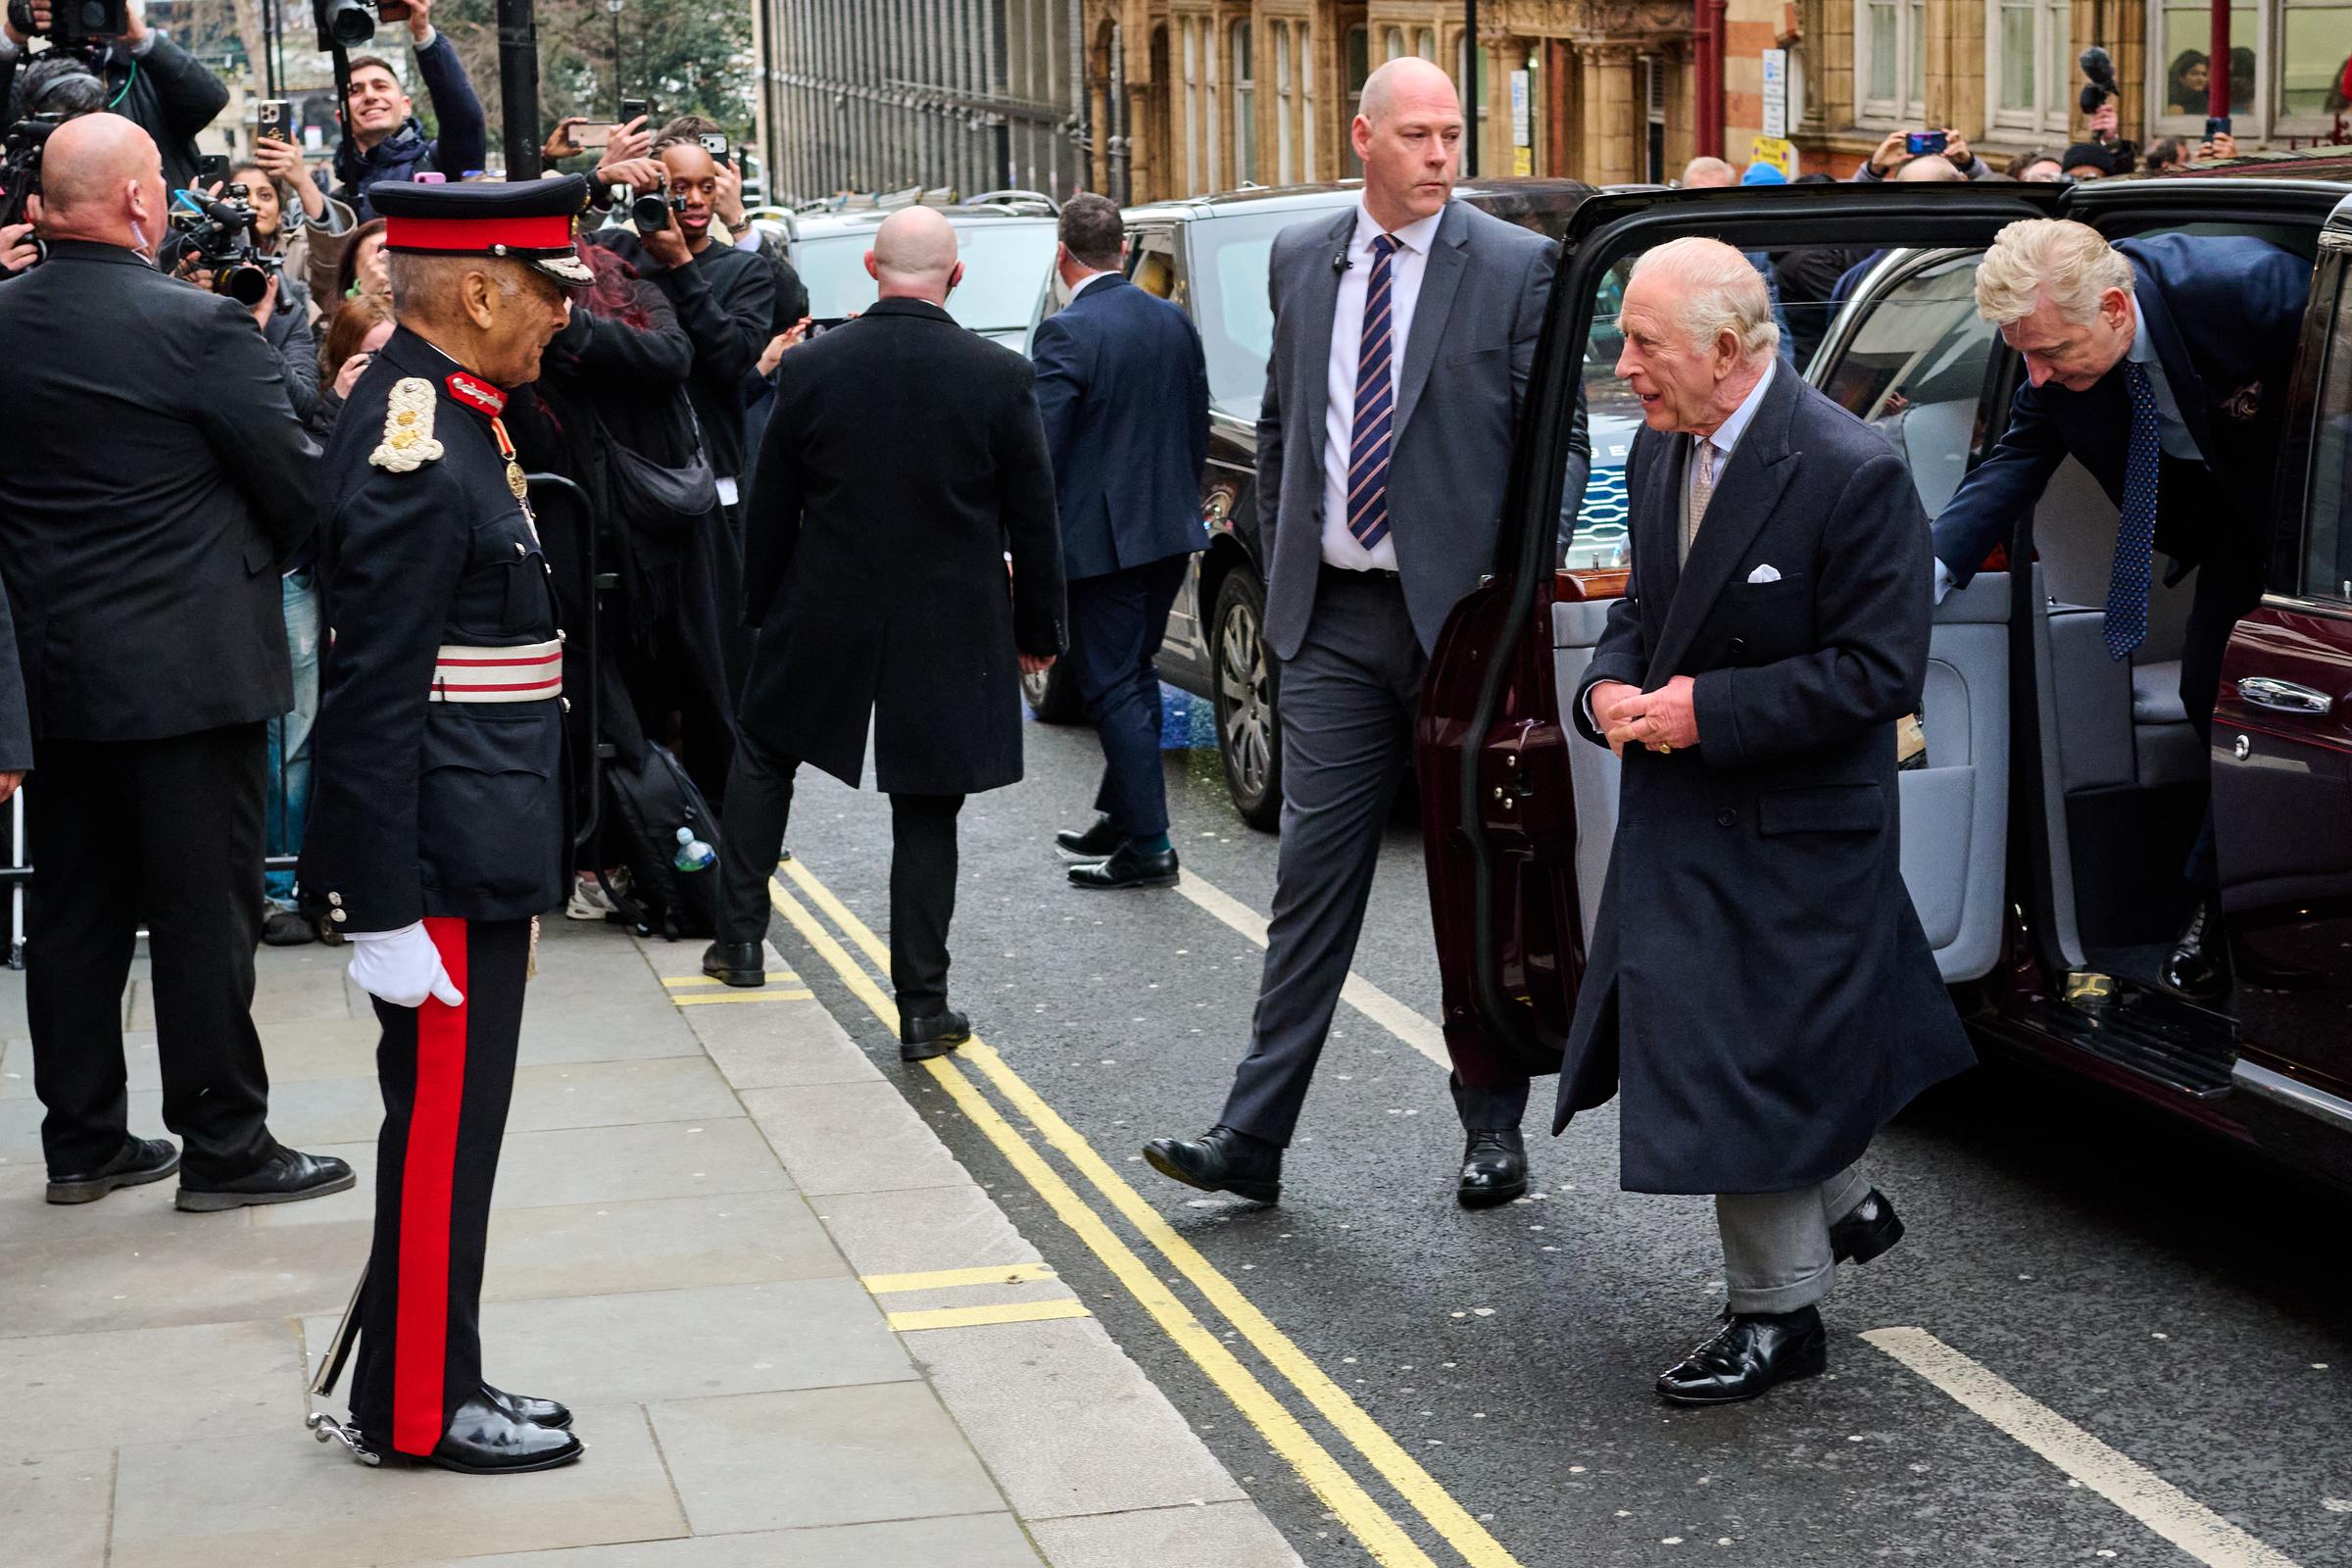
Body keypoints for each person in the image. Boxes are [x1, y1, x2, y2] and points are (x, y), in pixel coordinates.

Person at [1142, 57, 1556, 1210]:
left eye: (1452, 134)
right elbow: (1284, 419)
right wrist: (1285, 568)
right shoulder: (1300, 255)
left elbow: (1550, 451)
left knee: (1471, 877)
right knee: (1310, 881)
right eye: (1416, 135)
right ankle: (1254, 1136)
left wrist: (1509, 597)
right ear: (1364, 138)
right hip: (1329, 621)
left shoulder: (1516, 268)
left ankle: (1492, 1129)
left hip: (1462, 626)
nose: (1440, 155)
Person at [1566, 237, 1973, 1405]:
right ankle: (1845, 1203)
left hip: (1798, 825)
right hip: (1692, 809)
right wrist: (1606, 688)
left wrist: (1711, 709)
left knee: (1741, 1057)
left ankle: (1778, 1317)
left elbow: (1880, 672)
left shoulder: (1853, 470)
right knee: (1735, 1044)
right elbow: (1645, 606)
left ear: (1730, 354)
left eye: (1644, 343)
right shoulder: (1659, 448)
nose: (1624, 366)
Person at [0, 114, 350, 1209]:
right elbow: (300, 485)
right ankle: (225, 1145)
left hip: (54, 673)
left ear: (47, 210)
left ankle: (83, 1139)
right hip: (190, 675)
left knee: (74, 914)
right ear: (144, 203)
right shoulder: (199, 328)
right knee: (206, 914)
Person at [300, 175, 590, 1474]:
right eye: (546, 294)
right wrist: (384, 907)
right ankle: (416, 1408)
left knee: (455, 1137)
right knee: (439, 1140)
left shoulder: (457, 410)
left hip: (478, 836)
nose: (561, 320)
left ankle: (443, 1371)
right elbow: (373, 692)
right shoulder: (418, 437)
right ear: (479, 290)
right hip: (443, 857)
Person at [697, 207, 1065, 1063]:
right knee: (927, 808)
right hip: (951, 617)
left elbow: (771, 502)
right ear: (957, 276)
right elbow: (1034, 520)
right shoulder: (999, 374)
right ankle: (923, 1011)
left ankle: (741, 942)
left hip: (822, 605)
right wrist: (1039, 628)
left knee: (764, 754)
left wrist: (761, 609)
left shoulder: (813, 368)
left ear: (870, 267)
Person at [1930, 219, 2309, 999]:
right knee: (2216, 697)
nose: (2036, 376)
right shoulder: (2054, 368)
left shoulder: (2251, 290)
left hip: (2321, 529)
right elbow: (2013, 464)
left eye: (2053, 354)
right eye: (2022, 355)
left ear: (2112, 308)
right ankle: (2244, 902)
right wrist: (1924, 576)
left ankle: (2222, 907)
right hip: (2238, 537)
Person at [1033, 192, 1210, 890]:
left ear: (1062, 256)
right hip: (1168, 532)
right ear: (1124, 253)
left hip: (1102, 545)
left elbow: (1041, 452)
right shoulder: (1172, 322)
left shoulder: (1065, 333)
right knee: (1132, 673)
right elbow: (1193, 426)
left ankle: (1151, 846)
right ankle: (1121, 813)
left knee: (1113, 685)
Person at [596, 137, 775, 524]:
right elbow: (550, 245)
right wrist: (598, 180)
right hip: (629, 472)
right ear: (656, 189)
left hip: (713, 475)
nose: (695, 200)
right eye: (680, 188)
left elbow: (731, 361)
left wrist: (680, 264)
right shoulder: (616, 252)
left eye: (706, 187)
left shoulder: (746, 271)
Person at [0, 0, 227, 194]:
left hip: (155, 236)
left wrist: (141, 38)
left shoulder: (147, 75)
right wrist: (11, 36)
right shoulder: (33, 83)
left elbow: (210, 100)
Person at [329, 0, 485, 220]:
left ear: (406, 106)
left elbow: (464, 121)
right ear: (340, 117)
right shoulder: (338, 204)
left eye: (381, 86)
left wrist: (423, 35)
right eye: (355, 91)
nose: (370, 96)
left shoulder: (441, 164)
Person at [2168, 50, 2212, 115]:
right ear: (2181, 78)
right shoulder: (2168, 97)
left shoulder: (2204, 100)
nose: (2201, 79)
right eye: (2194, 73)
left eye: (2204, 74)